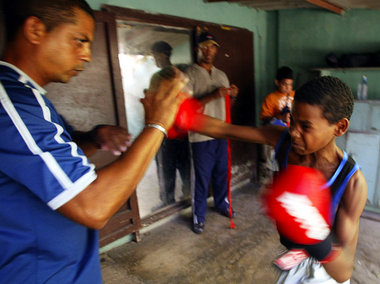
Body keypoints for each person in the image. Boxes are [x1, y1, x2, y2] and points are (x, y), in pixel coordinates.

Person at [0, 1, 187, 283]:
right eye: (79, 41)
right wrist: (157, 124)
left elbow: (52, 163)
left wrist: (94, 138)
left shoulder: (31, 99)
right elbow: (93, 207)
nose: (86, 56)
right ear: (36, 30)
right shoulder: (12, 102)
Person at [189, 75, 367, 283]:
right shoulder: (283, 141)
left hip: (327, 271)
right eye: (292, 120)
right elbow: (224, 129)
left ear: (339, 127)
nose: (293, 132)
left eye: (306, 126)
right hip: (295, 258)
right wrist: (178, 115)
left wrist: (317, 236)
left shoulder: (352, 183)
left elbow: (344, 271)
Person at [185, 31, 239, 234]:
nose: (209, 51)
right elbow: (186, 108)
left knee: (221, 173)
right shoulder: (188, 74)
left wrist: (233, 96)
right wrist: (213, 95)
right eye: (205, 46)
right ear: (197, 49)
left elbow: (226, 107)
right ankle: (199, 216)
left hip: (221, 134)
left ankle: (222, 203)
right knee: (201, 178)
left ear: (217, 50)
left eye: (213, 46)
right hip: (199, 136)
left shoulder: (221, 75)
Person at [150, 41, 191, 208]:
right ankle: (187, 197)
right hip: (182, 132)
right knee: (184, 167)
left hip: (166, 132)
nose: (154, 60)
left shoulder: (159, 77)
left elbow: (154, 103)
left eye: (154, 56)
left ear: (161, 55)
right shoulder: (181, 76)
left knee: (166, 169)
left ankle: (167, 201)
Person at [258, 66, 295, 184]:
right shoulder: (270, 98)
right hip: (276, 136)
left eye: (290, 85)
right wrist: (280, 117)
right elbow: (264, 119)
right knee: (274, 163)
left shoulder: (296, 96)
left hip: (292, 135)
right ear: (277, 82)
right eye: (285, 84)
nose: (288, 88)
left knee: (289, 162)